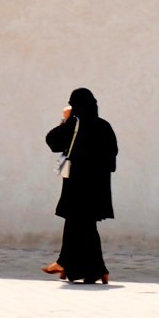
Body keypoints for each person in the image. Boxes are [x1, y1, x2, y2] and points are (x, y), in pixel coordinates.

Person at [42, 88, 116, 284]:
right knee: (84, 226)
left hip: (78, 186)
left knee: (79, 226)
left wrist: (65, 119)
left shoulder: (75, 124)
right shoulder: (104, 126)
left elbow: (53, 142)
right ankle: (85, 269)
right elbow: (112, 156)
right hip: (98, 188)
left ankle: (79, 266)